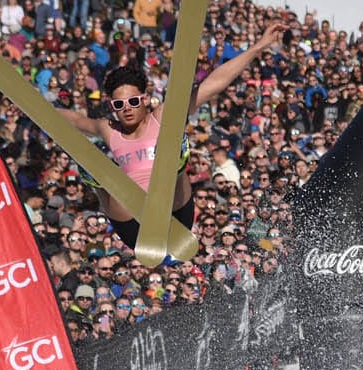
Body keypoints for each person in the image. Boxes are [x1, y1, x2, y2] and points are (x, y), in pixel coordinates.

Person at [47, 22, 286, 250]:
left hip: (175, 212)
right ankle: (97, 181)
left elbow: (214, 84)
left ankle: (178, 164)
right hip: (133, 225)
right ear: (112, 106)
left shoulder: (162, 116)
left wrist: (258, 46)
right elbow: (77, 120)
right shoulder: (108, 129)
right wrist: (33, 104)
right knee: (107, 184)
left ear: (144, 99)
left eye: (132, 101)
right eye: (119, 104)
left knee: (172, 163)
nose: (127, 108)